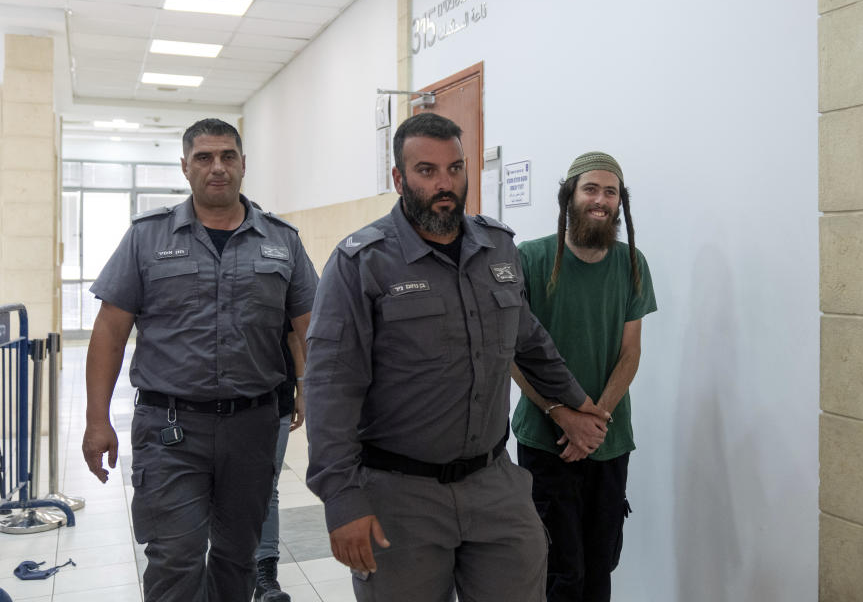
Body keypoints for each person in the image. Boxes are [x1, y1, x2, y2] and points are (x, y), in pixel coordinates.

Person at [303, 112, 608, 602]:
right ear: (400, 179)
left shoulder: (498, 248)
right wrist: (341, 499)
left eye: (455, 168)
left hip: (493, 483)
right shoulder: (361, 262)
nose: (445, 184)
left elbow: (529, 341)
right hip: (400, 493)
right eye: (427, 171)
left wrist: (577, 403)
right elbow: (329, 389)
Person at [81, 118, 318, 602]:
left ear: (243, 165)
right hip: (171, 427)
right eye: (205, 158)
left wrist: (314, 394)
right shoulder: (147, 238)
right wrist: (96, 418)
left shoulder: (281, 240)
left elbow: (311, 329)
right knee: (175, 556)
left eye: (228, 156)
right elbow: (110, 329)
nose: (218, 168)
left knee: (237, 555)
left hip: (252, 426)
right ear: (185, 167)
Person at [511, 151, 657, 602]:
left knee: (600, 566)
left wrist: (595, 422)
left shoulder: (632, 263)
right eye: (591, 189)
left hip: (607, 442)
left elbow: (630, 353)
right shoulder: (530, 259)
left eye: (610, 192)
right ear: (569, 196)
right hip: (544, 440)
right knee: (560, 569)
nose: (600, 200)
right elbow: (512, 353)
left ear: (620, 203)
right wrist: (562, 415)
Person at [254, 318, 304, 602]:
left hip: (277, 397)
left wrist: (302, 388)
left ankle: (265, 575)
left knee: (266, 486)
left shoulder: (286, 272)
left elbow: (294, 336)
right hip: (216, 401)